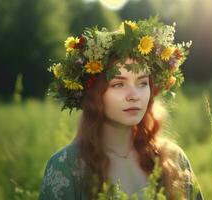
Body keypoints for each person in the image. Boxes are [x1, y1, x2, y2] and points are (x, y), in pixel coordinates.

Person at [39, 17, 203, 200]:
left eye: (142, 83)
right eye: (118, 84)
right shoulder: (66, 166)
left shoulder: (173, 159)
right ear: (95, 94)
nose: (134, 95)